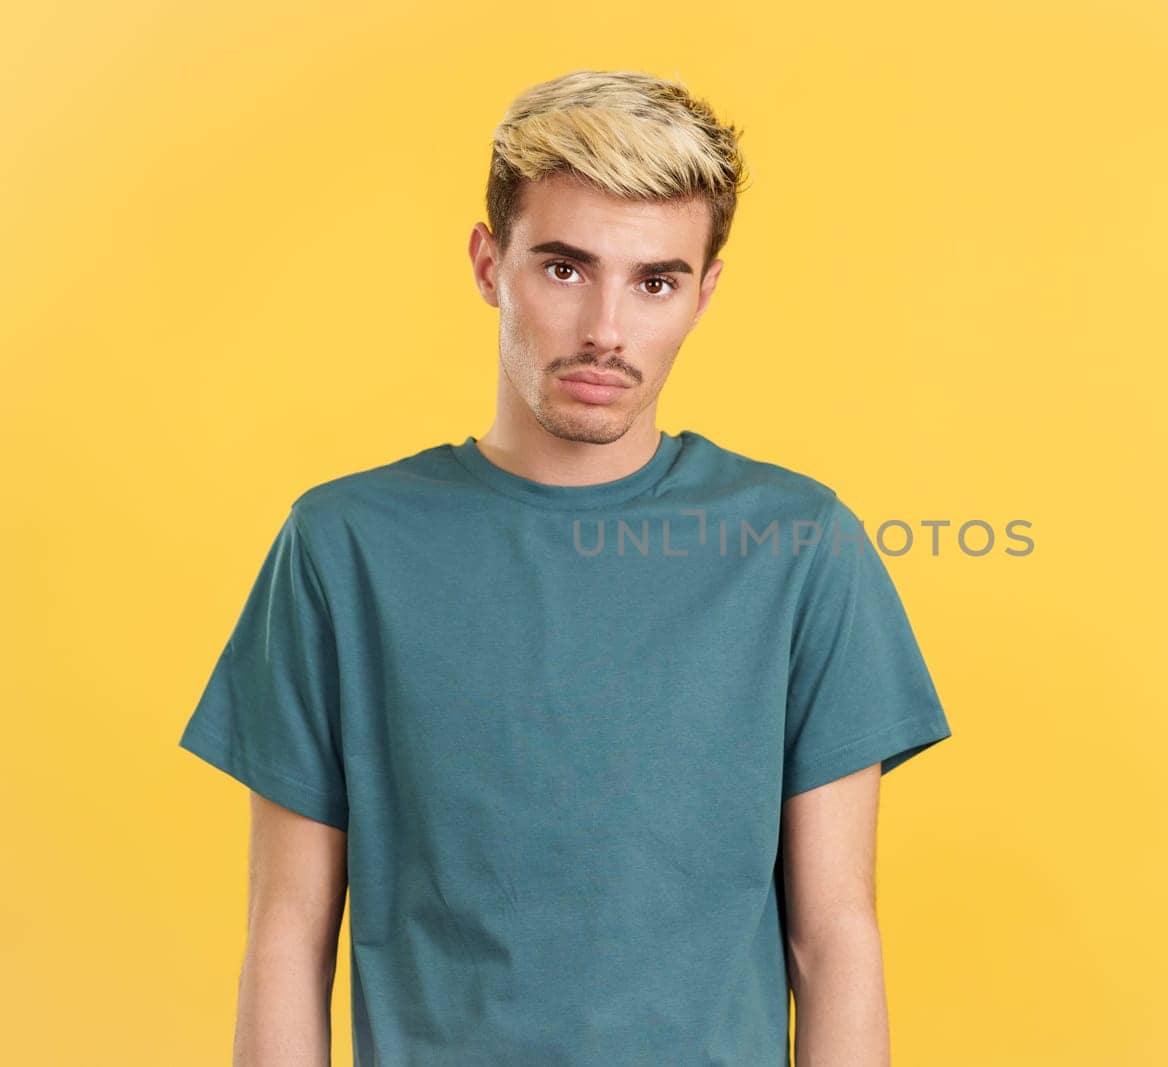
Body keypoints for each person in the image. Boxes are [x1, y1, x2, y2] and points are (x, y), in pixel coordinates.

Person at [178, 68, 953, 1066]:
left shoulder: (799, 545)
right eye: (563, 268)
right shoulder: (343, 545)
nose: (606, 330)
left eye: (655, 281)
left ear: (704, 291)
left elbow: (832, 934)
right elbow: (288, 932)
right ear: (487, 262)